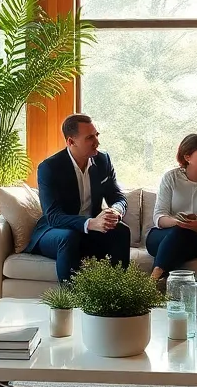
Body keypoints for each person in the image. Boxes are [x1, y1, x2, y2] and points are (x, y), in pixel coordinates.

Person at [27, 114, 130, 282]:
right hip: (54, 230)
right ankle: (70, 301)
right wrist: (91, 223)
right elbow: (53, 216)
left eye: (97, 135)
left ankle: (116, 292)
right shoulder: (50, 168)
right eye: (90, 137)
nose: (97, 141)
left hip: (90, 230)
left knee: (121, 230)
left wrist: (115, 211)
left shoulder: (103, 160)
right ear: (70, 142)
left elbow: (118, 196)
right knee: (69, 237)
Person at [146, 134, 197, 281]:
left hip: (194, 239)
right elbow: (159, 217)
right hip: (162, 235)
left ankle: (154, 280)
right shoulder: (171, 178)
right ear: (187, 157)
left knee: (184, 235)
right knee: (180, 232)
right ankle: (158, 280)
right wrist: (179, 223)